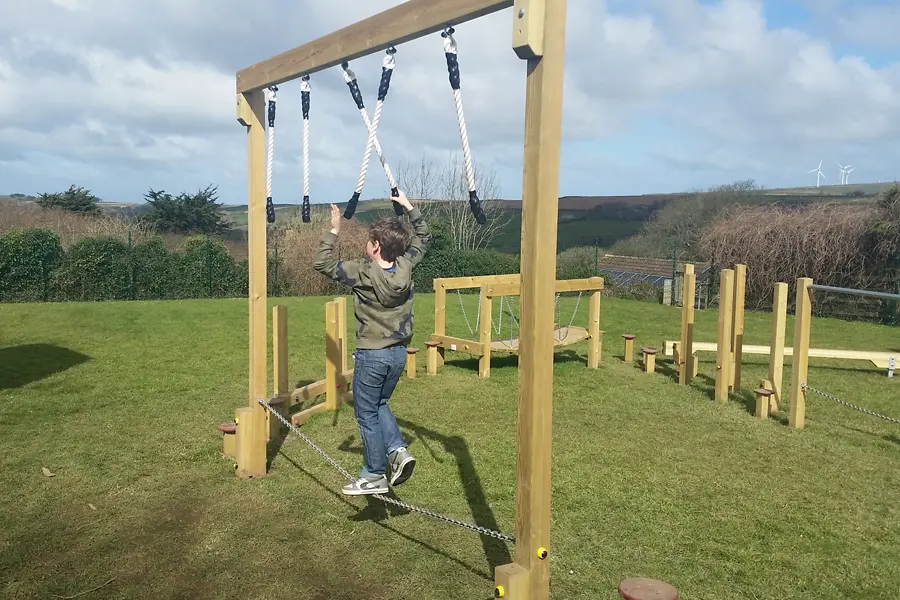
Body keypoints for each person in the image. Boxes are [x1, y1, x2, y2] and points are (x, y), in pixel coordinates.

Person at [313, 190, 430, 496]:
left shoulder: (362, 273)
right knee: (379, 404)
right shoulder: (406, 265)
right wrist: (408, 206)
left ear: (376, 246)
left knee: (365, 411)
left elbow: (322, 263)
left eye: (369, 239)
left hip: (372, 355)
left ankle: (374, 473)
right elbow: (424, 236)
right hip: (398, 355)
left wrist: (335, 228)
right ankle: (398, 452)